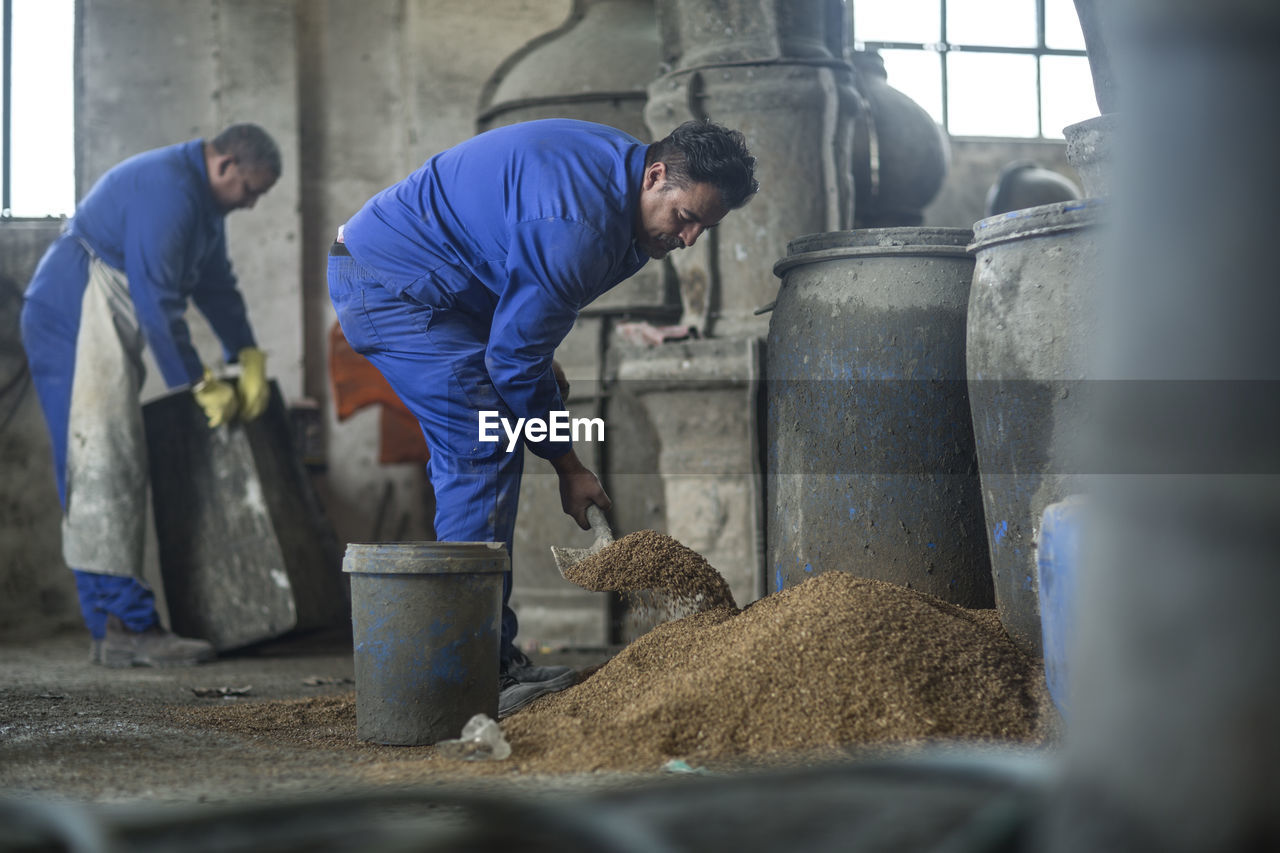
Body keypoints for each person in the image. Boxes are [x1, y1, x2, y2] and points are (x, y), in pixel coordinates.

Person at [329, 117, 757, 716]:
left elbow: (519, 302)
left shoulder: (621, 186)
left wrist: (534, 352)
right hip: (392, 285)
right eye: (686, 217)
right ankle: (473, 673)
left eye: (705, 228)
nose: (689, 239)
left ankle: (491, 654)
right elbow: (511, 363)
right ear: (656, 176)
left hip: (449, 288)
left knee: (509, 411)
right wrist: (569, 464)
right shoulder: (579, 226)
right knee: (484, 441)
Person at [21, 123, 281, 667]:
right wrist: (197, 382)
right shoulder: (169, 190)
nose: (252, 203)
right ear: (225, 165)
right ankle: (131, 625)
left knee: (108, 464)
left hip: (101, 317)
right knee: (98, 465)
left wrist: (247, 354)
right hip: (73, 313)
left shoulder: (207, 209)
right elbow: (157, 299)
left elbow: (216, 286)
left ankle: (112, 629)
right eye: (251, 190)